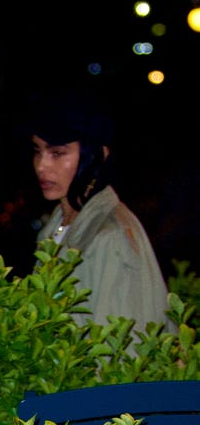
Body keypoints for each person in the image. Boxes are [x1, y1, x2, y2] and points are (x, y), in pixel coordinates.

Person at [29, 90, 170, 329]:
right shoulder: (58, 222)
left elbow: (121, 351)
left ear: (97, 155)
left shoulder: (110, 235)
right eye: (37, 151)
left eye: (58, 153)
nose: (42, 165)